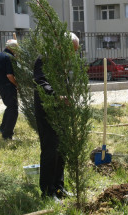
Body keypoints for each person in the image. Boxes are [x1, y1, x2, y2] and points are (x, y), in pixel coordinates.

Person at [33, 33, 79, 202]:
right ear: (62, 46)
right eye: (72, 50)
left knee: (61, 150)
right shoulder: (44, 59)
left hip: (61, 111)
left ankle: (59, 188)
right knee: (50, 150)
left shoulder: (62, 63)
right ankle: (47, 191)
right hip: (47, 111)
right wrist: (57, 96)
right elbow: (41, 82)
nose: (73, 55)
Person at [0, 39, 19, 140]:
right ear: (12, 47)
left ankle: (2, 128)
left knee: (10, 107)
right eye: (16, 48)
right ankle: (7, 135)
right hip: (8, 86)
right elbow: (9, 75)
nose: (17, 50)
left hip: (0, 86)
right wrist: (17, 84)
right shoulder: (9, 57)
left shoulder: (0, 55)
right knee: (13, 110)